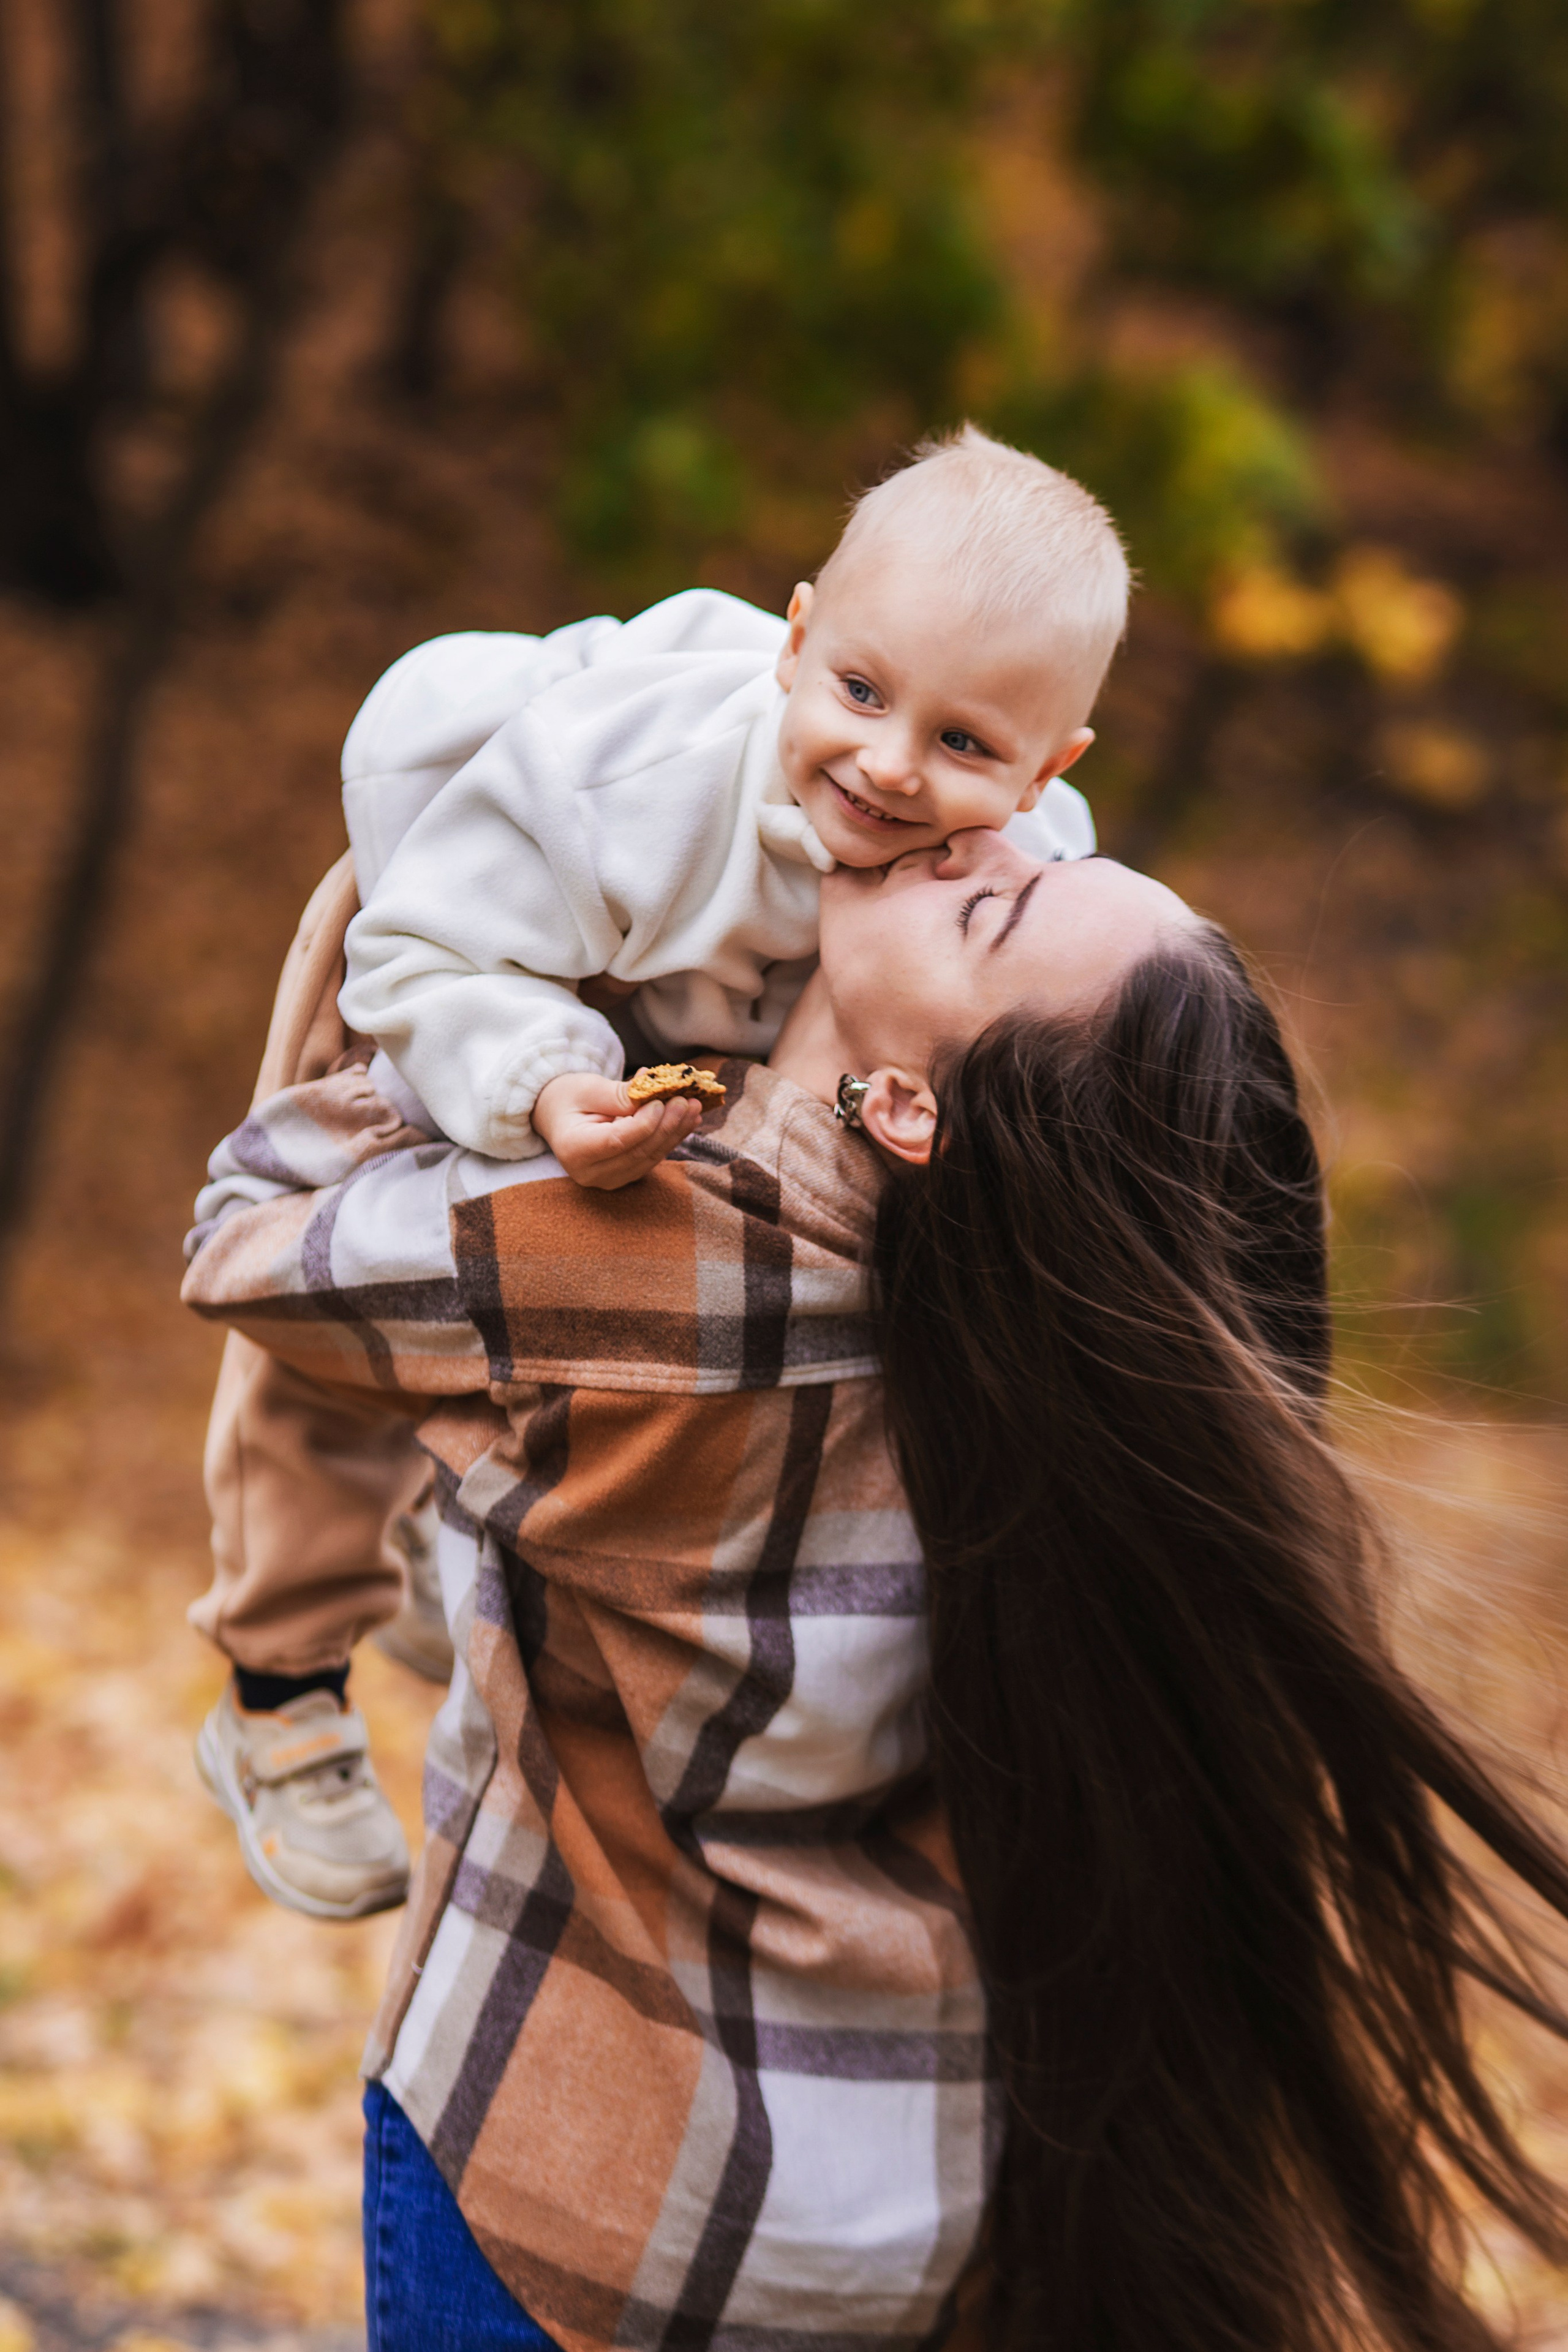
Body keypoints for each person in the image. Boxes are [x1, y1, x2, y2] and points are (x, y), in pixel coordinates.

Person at [183, 827, 1568, 2352]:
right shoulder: (1004, 1346)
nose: (971, 836)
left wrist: (453, 963)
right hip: (907, 2210)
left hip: (590, 2203)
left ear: (909, 1107)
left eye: (991, 906)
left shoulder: (650, 1250)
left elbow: (247, 1242)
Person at [189, 424, 1130, 1920]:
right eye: (861, 692)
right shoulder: (636, 781)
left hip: (682, 1049)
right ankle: (278, 1677)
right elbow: (421, 949)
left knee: (594, 1327)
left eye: (963, 745)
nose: (890, 766)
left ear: (1048, 767)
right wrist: (538, 1080)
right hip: (470, 957)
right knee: (339, 1316)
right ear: (798, 639)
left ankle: (453, 1535)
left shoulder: (1025, 864)